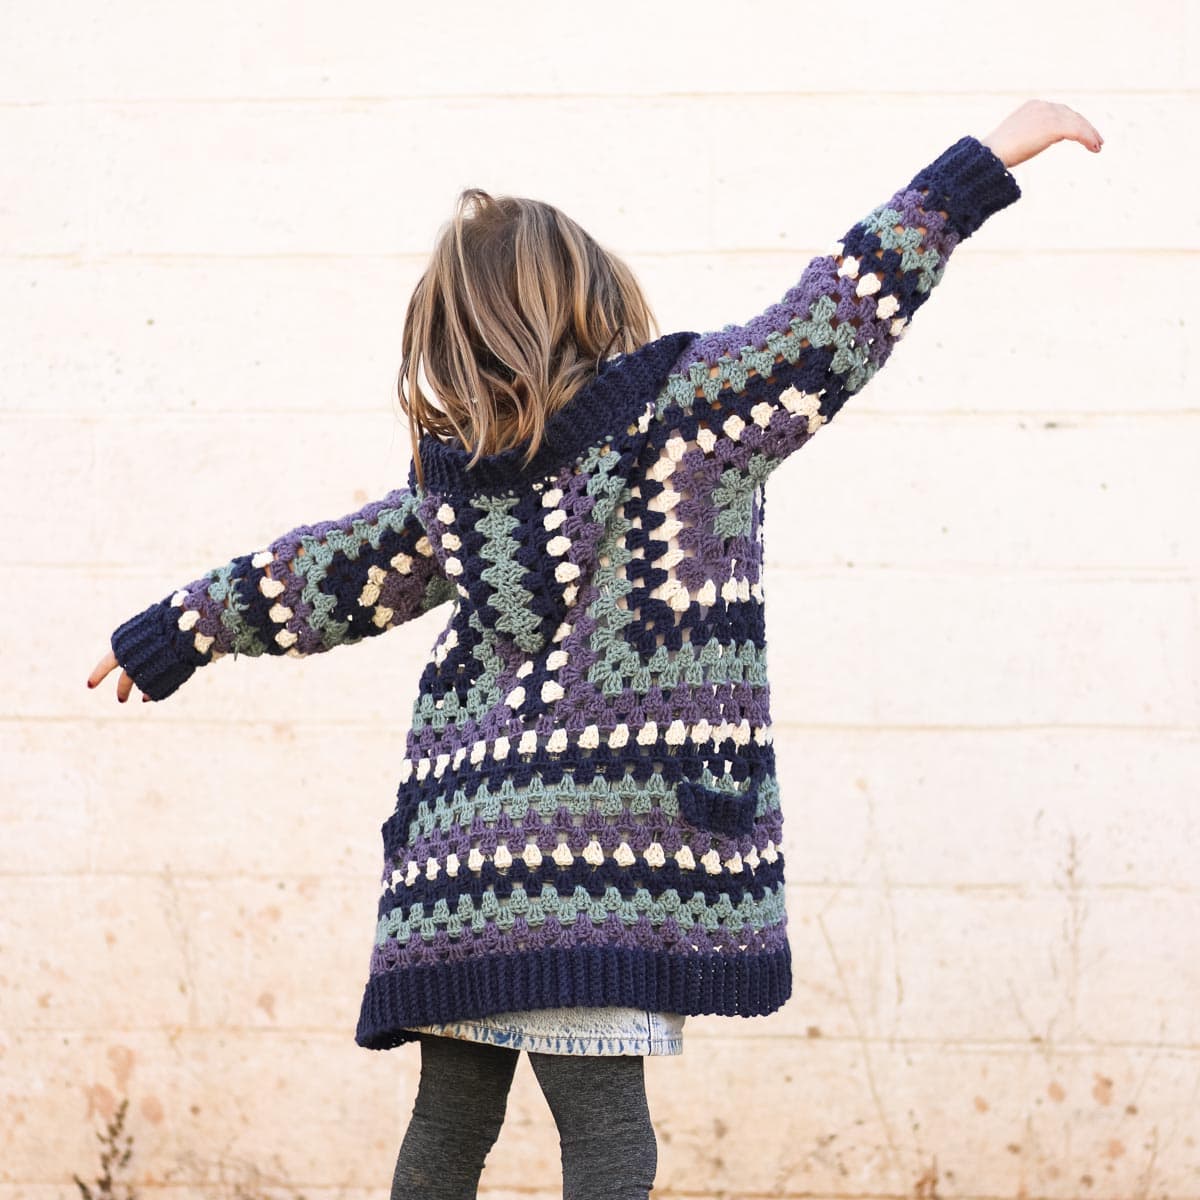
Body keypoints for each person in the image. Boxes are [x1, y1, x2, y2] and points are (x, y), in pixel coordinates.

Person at [89, 99, 1102, 1200]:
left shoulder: (453, 489)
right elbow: (834, 318)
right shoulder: (687, 420)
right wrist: (975, 169)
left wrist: (178, 630)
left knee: (448, 1125)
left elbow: (324, 571)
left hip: (463, 870)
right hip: (606, 857)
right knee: (608, 1133)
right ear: (593, 302)